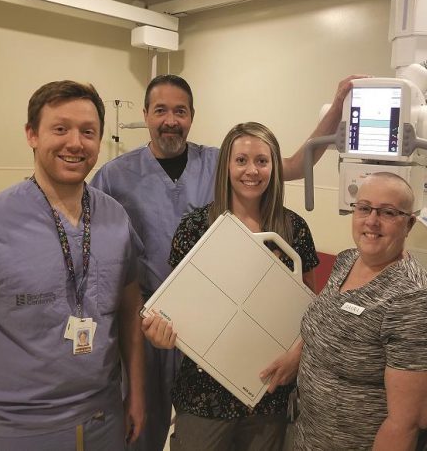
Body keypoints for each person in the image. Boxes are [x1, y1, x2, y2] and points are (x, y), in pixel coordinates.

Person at [90, 73, 361, 450]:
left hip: (238, 335)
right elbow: (95, 244)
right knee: (143, 426)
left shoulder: (220, 160)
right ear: (147, 115)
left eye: (180, 111)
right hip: (157, 322)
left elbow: (297, 163)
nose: (171, 119)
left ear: (192, 116)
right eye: (161, 110)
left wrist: (337, 107)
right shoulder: (115, 176)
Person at [0, 81, 146, 451]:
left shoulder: (115, 218)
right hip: (15, 432)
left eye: (88, 132)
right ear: (32, 134)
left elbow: (130, 313)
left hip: (103, 423)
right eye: (60, 129)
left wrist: (137, 397)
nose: (75, 143)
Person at [142, 121, 319, 450]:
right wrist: (160, 332)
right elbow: (174, 305)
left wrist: (297, 355)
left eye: (262, 161)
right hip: (203, 398)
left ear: (273, 167)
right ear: (226, 166)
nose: (251, 170)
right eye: (241, 160)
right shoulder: (196, 227)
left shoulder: (293, 229)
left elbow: (311, 311)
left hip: (268, 393)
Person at [294, 172, 427, 451]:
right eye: (364, 208)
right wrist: (294, 357)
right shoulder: (347, 260)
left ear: (409, 223)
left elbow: (408, 422)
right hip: (309, 438)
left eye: (388, 212)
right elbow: (326, 323)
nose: (372, 221)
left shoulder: (414, 300)